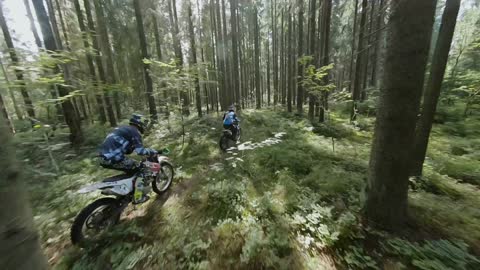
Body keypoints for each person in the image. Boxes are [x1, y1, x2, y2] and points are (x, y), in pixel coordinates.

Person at [98, 114, 158, 203]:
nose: (145, 126)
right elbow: (140, 151)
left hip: (102, 158)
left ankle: (127, 190)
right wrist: (152, 151)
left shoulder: (122, 129)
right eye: (144, 123)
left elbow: (125, 148)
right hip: (113, 158)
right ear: (140, 123)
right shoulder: (135, 131)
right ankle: (138, 197)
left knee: (132, 167)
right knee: (144, 169)